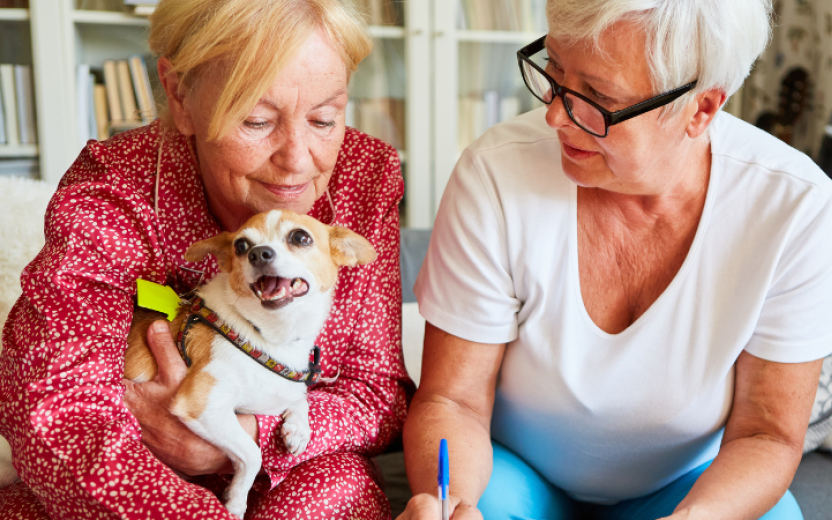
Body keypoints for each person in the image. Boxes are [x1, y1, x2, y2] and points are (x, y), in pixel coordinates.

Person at [401, 1, 832, 519]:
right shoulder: (494, 173)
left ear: (700, 110)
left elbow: (766, 433)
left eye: (598, 98)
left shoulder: (795, 206)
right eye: (555, 71)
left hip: (685, 484)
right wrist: (454, 505)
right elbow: (454, 401)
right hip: (512, 472)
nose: (555, 114)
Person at [0, 0, 413, 518]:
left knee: (339, 491)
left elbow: (377, 394)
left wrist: (238, 437)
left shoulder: (365, 172)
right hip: (133, 471)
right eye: (256, 120)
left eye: (324, 118)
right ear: (180, 97)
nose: (297, 159)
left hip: (292, 465)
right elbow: (55, 412)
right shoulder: (111, 190)